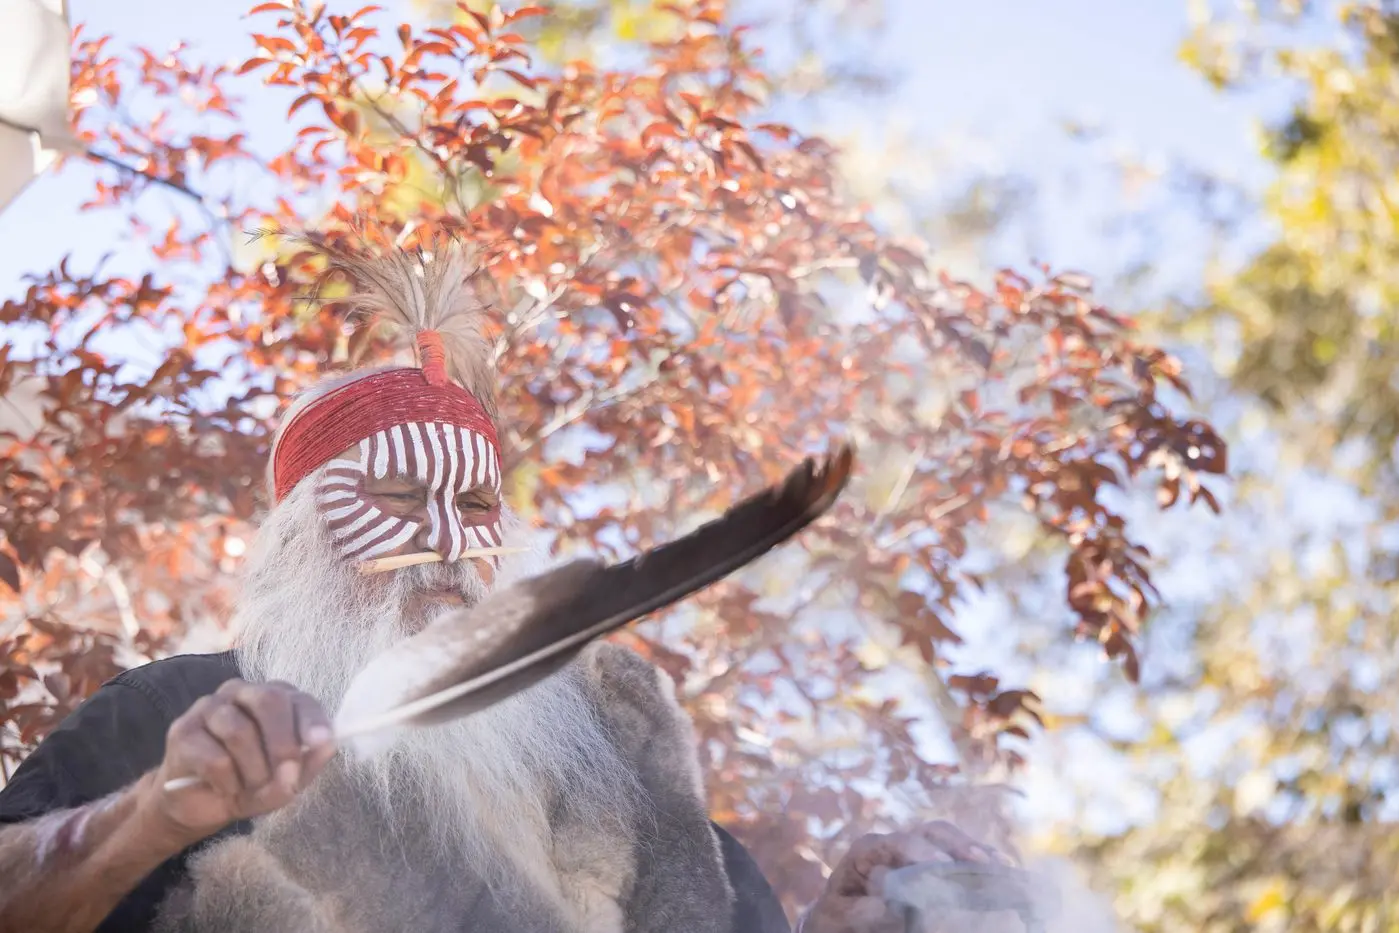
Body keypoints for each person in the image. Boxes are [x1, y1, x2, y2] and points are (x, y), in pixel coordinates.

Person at [0, 240, 1007, 933]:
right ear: (296, 543)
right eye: (396, 492)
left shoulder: (630, 781)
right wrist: (153, 818)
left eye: (477, 508)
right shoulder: (176, 719)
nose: (445, 542)